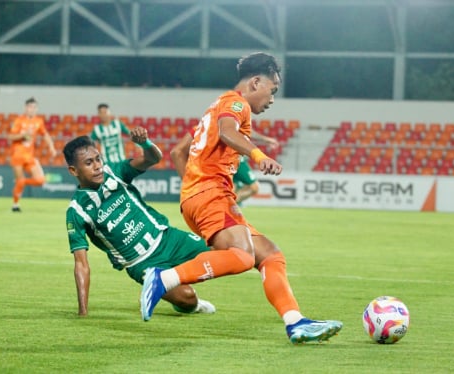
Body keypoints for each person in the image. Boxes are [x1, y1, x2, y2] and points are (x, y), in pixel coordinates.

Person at [144, 52, 343, 344]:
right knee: (242, 256)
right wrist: (258, 155)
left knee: (270, 255)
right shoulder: (236, 103)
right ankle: (164, 279)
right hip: (211, 194)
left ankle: (295, 323)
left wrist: (191, 189)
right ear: (256, 82)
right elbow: (227, 133)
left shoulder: (213, 109)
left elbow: (177, 152)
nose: (272, 99)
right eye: (272, 90)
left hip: (203, 195)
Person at [63, 132, 215, 317]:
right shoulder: (77, 210)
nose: (97, 167)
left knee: (220, 249)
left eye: (98, 159)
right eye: (89, 163)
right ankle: (186, 300)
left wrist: (146, 144)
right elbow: (81, 264)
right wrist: (83, 312)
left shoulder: (115, 173)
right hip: (142, 263)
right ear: (73, 170)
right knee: (188, 298)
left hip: (167, 238)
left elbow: (153, 158)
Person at [8, 97, 57, 212]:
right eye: (30, 107)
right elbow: (10, 136)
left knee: (40, 181)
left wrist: (51, 146)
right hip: (17, 155)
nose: (32, 109)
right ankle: (15, 205)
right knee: (19, 181)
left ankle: (23, 181)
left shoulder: (38, 121)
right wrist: (23, 135)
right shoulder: (19, 120)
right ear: (26, 108)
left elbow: (45, 134)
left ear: (37, 109)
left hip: (30, 156)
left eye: (34, 107)